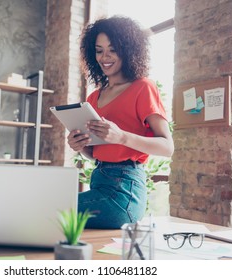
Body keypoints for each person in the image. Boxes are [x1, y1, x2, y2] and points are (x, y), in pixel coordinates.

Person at [67, 16, 174, 229]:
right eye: (99, 50)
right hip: (99, 182)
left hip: (124, 192)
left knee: (49, 208)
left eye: (113, 49)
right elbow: (97, 153)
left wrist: (121, 136)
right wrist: (81, 146)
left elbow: (167, 147)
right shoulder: (93, 98)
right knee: (49, 210)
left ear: (128, 50)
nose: (104, 57)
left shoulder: (143, 87)